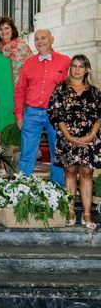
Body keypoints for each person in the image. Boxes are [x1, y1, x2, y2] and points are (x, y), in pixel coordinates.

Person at [48, 55, 101, 230]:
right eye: (74, 66)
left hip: (89, 138)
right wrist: (68, 136)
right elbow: (55, 113)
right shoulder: (61, 89)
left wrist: (91, 134)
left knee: (86, 174)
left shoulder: (94, 91)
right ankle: (69, 211)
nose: (77, 69)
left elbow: (99, 116)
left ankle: (87, 214)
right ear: (70, 68)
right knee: (69, 173)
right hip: (67, 137)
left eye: (81, 66)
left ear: (86, 69)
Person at [14, 29, 70, 186]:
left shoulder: (65, 61)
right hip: (31, 113)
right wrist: (19, 114)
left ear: (52, 39)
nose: (40, 41)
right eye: (37, 39)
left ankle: (57, 189)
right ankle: (22, 189)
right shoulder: (29, 63)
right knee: (27, 153)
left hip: (56, 115)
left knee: (57, 153)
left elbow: (71, 89)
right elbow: (20, 90)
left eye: (43, 38)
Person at [0, 16, 33, 147]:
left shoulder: (22, 47)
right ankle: (2, 163)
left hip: (16, 94)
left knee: (16, 125)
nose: (4, 31)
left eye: (7, 28)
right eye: (0, 29)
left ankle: (15, 162)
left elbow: (31, 70)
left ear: (12, 30)